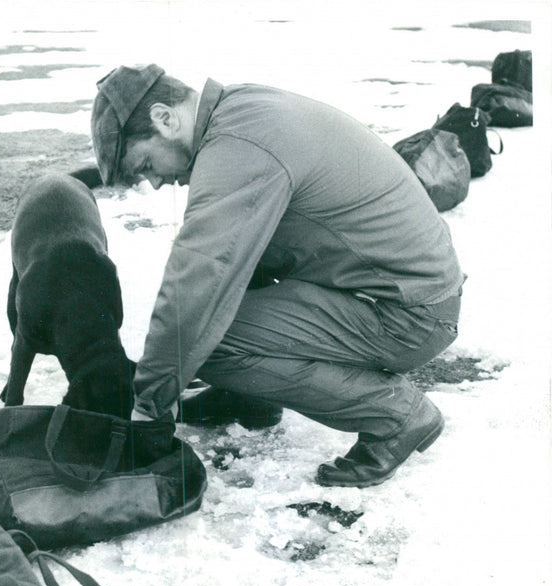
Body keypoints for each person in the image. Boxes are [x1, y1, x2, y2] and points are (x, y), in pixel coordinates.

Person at [89, 64, 465, 488]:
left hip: (406, 315)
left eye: (144, 165)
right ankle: (249, 397)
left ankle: (396, 415)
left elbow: (196, 284)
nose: (154, 183)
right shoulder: (240, 113)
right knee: (203, 329)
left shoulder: (240, 146)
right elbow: (237, 261)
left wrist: (149, 406)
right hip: (394, 290)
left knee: (206, 341)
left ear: (164, 118)